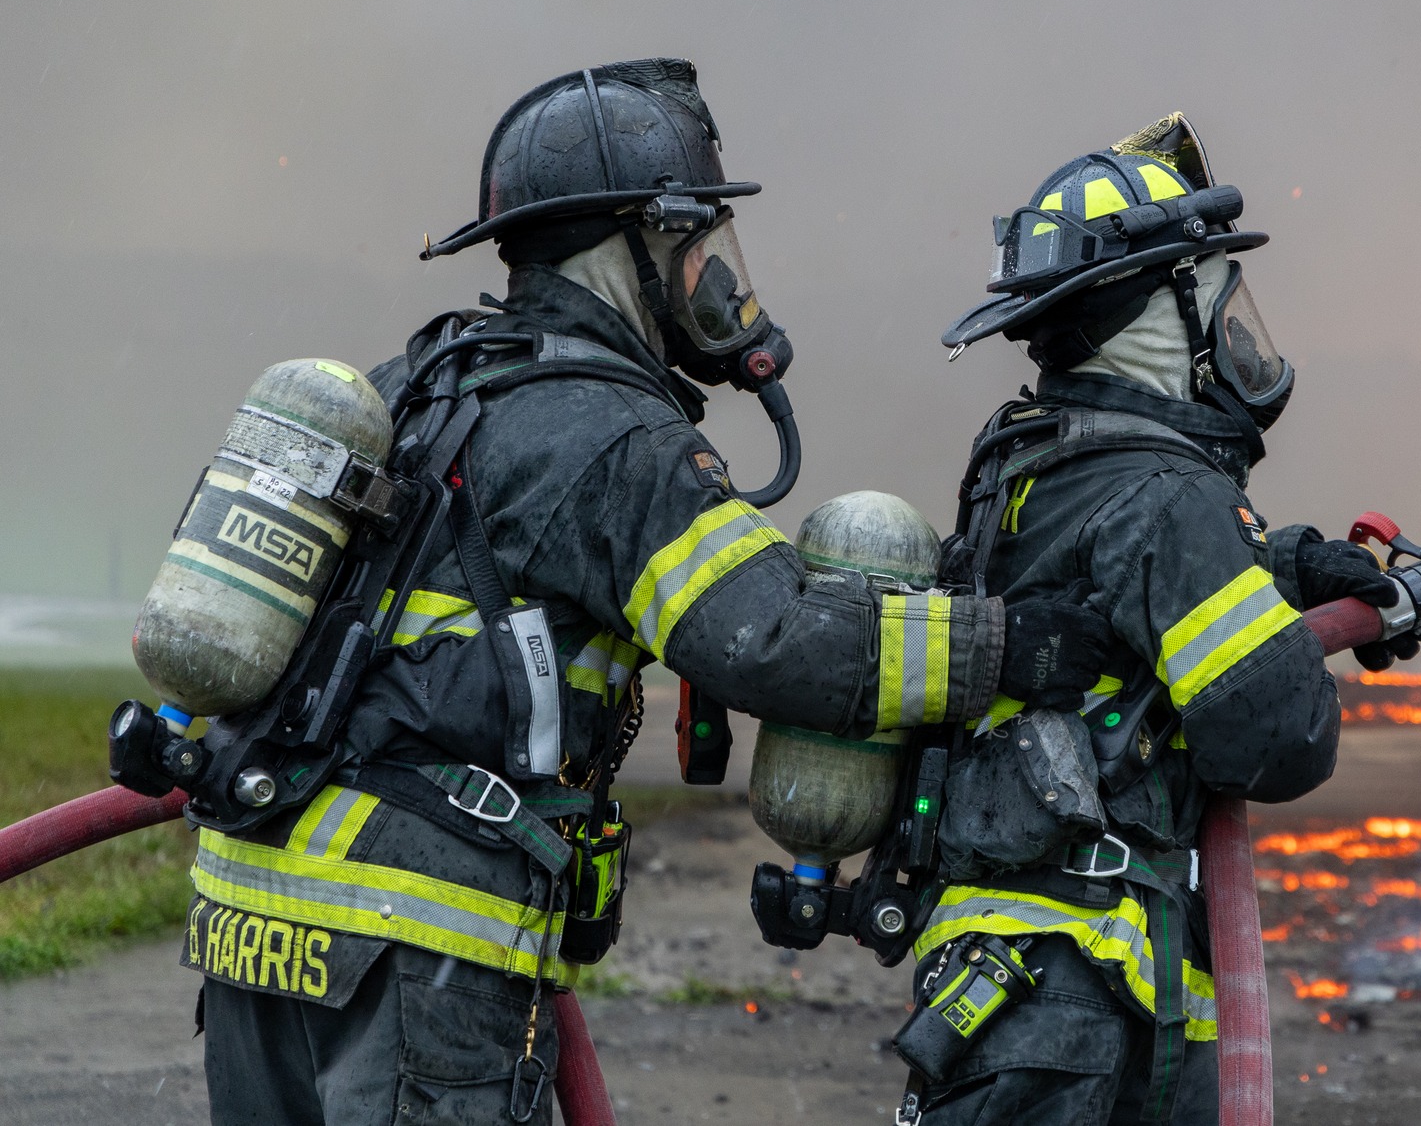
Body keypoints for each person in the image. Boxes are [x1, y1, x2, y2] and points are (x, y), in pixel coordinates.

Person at [185, 58, 1108, 1125]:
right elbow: (774, 639)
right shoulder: (612, 433)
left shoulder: (418, 381)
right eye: (698, 243)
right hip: (410, 937)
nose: (716, 281)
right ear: (636, 241)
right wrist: (1009, 646)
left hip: (249, 919)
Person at [900, 115, 1421, 1124]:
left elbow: (1103, 594)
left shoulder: (1030, 462)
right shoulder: (1167, 496)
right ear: (1163, 311)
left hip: (1009, 974)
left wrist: (1289, 566)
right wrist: (1292, 635)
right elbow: (1277, 736)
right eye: (1213, 295)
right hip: (1082, 995)